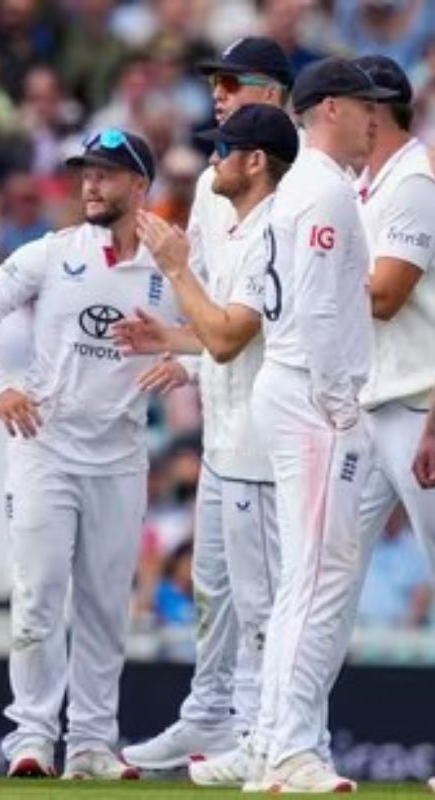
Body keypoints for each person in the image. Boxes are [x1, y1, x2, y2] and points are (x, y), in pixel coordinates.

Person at [0, 129, 180, 781]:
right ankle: (32, 739)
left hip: (120, 458)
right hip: (45, 448)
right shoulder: (52, 253)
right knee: (38, 598)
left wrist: (184, 366)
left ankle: (92, 742)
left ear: (140, 187)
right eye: (86, 173)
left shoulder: (170, 264)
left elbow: (223, 337)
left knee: (102, 604)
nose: (91, 184)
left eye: (108, 174)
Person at [121, 38, 296, 775]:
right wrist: (178, 344)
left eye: (231, 83)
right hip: (225, 409)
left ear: (277, 92)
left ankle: (264, 727)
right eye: (213, 83)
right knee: (215, 584)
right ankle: (212, 715)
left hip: (276, 419)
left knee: (264, 593)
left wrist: (198, 332)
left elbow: (238, 316)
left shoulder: (304, 189)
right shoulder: (213, 189)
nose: (217, 93)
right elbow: (212, 307)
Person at [245, 57, 390, 793]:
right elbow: (321, 307)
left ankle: (276, 742)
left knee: (307, 579)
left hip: (292, 383)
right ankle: (292, 750)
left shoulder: (297, 188)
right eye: (365, 105)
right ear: (328, 107)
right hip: (314, 393)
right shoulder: (326, 190)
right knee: (319, 579)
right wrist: (341, 402)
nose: (375, 118)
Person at [347, 53, 435, 645]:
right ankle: (291, 734)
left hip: (420, 404)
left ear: (373, 112)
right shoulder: (363, 184)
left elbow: (385, 297)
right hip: (372, 405)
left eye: (341, 105)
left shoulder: (416, 181)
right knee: (324, 576)